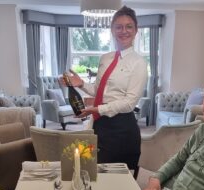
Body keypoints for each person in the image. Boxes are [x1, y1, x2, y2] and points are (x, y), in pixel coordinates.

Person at [62, 6, 148, 173]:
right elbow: (99, 90)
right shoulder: (105, 58)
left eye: (129, 26)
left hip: (122, 128)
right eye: (119, 26)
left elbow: (130, 103)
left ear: (136, 30)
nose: (124, 31)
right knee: (93, 171)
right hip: (99, 124)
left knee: (118, 178)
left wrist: (98, 109)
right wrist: (80, 84)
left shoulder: (139, 63)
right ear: (112, 29)